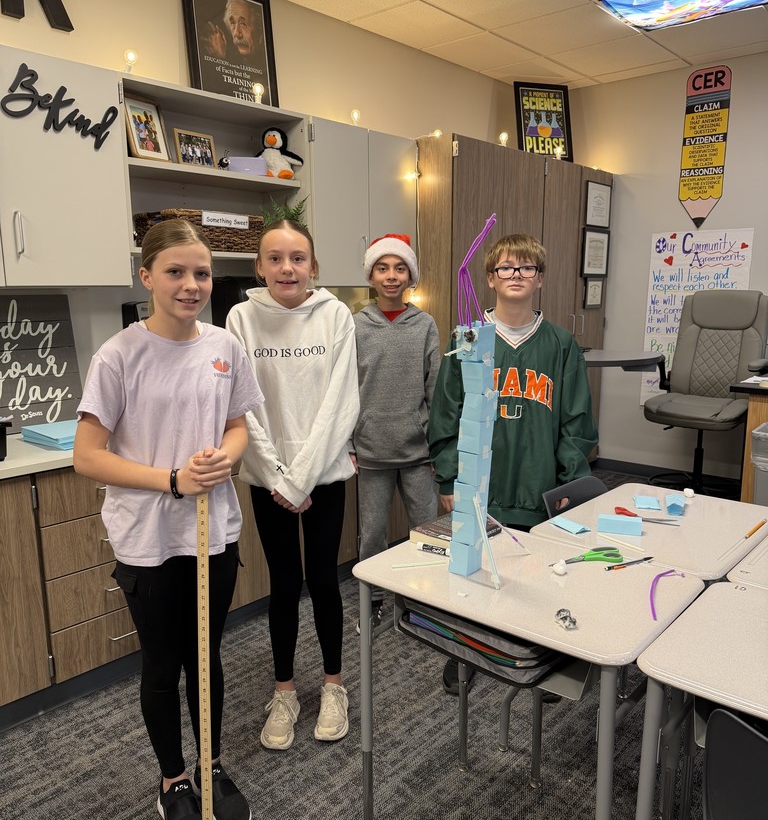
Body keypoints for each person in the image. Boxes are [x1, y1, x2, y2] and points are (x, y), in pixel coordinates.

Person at [73, 219, 263, 820]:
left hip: (214, 533)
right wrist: (173, 480)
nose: (191, 285)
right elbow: (87, 455)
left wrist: (226, 456)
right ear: (146, 276)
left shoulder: (225, 346)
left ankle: (211, 766)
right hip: (149, 539)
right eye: (176, 272)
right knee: (162, 663)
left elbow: (238, 424)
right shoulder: (118, 356)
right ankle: (173, 780)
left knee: (206, 657)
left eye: (201, 273)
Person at [429, 233, 598, 694]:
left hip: (538, 484)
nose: (516, 274)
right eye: (506, 267)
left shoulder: (561, 344)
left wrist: (570, 484)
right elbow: (445, 414)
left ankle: (540, 651)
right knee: (470, 570)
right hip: (481, 484)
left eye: (527, 267)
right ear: (490, 277)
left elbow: (577, 422)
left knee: (537, 574)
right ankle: (464, 651)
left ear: (540, 279)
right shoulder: (468, 339)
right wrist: (449, 476)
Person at [226, 219, 359, 750]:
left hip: (322, 475)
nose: (287, 268)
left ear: (314, 266)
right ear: (259, 267)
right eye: (276, 258)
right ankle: (284, 692)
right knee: (283, 585)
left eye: (298, 258)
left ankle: (333, 686)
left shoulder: (336, 316)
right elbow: (241, 406)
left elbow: (341, 403)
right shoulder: (240, 319)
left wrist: (300, 478)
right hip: (268, 478)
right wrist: (279, 478)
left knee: (324, 580)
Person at [352, 234, 441, 630]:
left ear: (410, 276)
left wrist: (440, 446)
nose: (391, 276)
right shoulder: (356, 325)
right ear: (371, 276)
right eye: (383, 268)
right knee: (372, 534)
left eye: (400, 268)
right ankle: (371, 600)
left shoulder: (424, 325)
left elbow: (435, 388)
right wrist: (349, 442)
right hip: (371, 450)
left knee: (428, 529)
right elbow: (345, 389)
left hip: (418, 450)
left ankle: (426, 600)